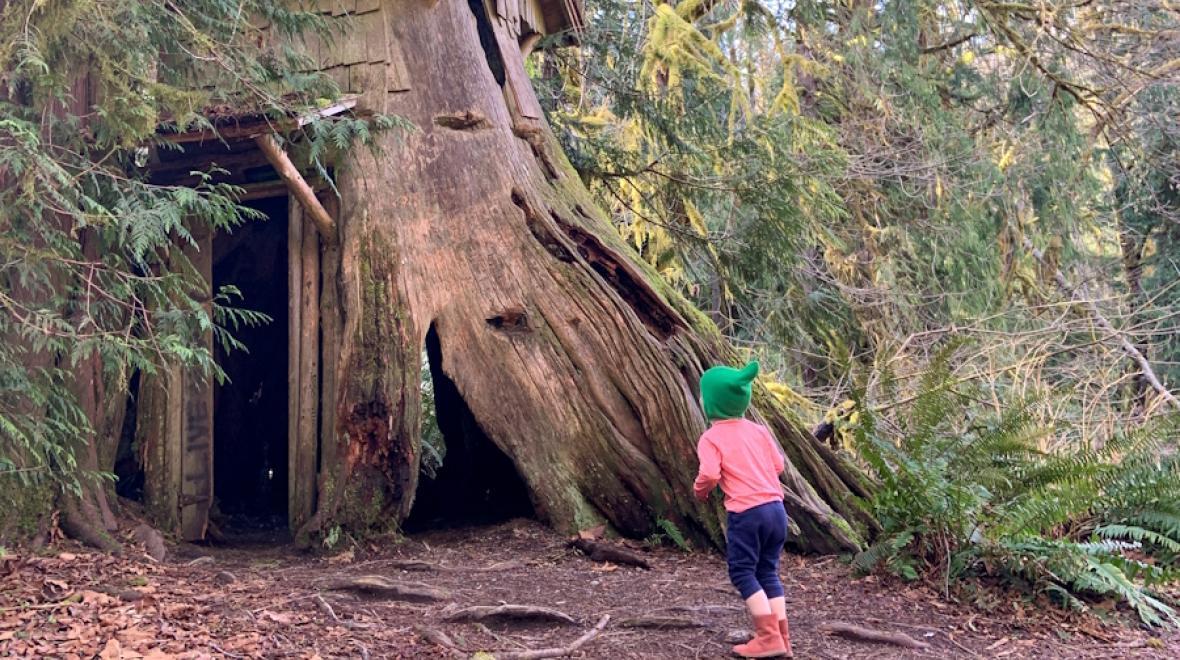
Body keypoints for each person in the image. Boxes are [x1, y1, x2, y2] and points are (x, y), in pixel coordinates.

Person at [694, 361, 792, 658]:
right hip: (776, 510)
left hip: (747, 514)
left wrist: (701, 491)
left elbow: (710, 474)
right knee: (767, 571)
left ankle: (767, 637)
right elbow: (779, 466)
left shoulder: (711, 437)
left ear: (710, 402)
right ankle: (783, 639)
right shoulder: (759, 431)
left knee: (742, 572)